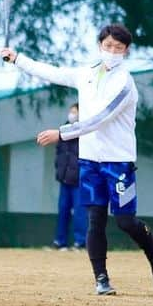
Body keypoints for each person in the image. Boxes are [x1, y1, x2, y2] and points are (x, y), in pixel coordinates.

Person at [1, 23, 153, 296]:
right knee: (95, 220)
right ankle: (101, 278)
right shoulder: (86, 73)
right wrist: (18, 58)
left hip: (119, 163)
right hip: (89, 161)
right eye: (108, 45)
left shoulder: (125, 83)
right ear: (100, 45)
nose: (112, 51)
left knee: (126, 222)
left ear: (126, 51)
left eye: (119, 47)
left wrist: (62, 133)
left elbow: (100, 120)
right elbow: (52, 72)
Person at [50, 103, 87, 251]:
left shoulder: (84, 131)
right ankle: (60, 241)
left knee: (80, 212)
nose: (72, 114)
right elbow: (59, 154)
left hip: (78, 180)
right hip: (64, 179)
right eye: (70, 111)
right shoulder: (62, 132)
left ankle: (80, 242)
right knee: (63, 210)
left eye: (75, 112)